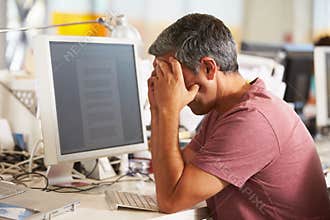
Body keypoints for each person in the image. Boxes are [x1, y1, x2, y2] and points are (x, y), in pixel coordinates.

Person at [147, 13, 330, 219]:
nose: (166, 85)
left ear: (208, 68)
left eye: (171, 75)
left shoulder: (253, 119)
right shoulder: (225, 110)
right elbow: (174, 172)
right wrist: (157, 109)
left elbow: (172, 199)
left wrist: (167, 110)